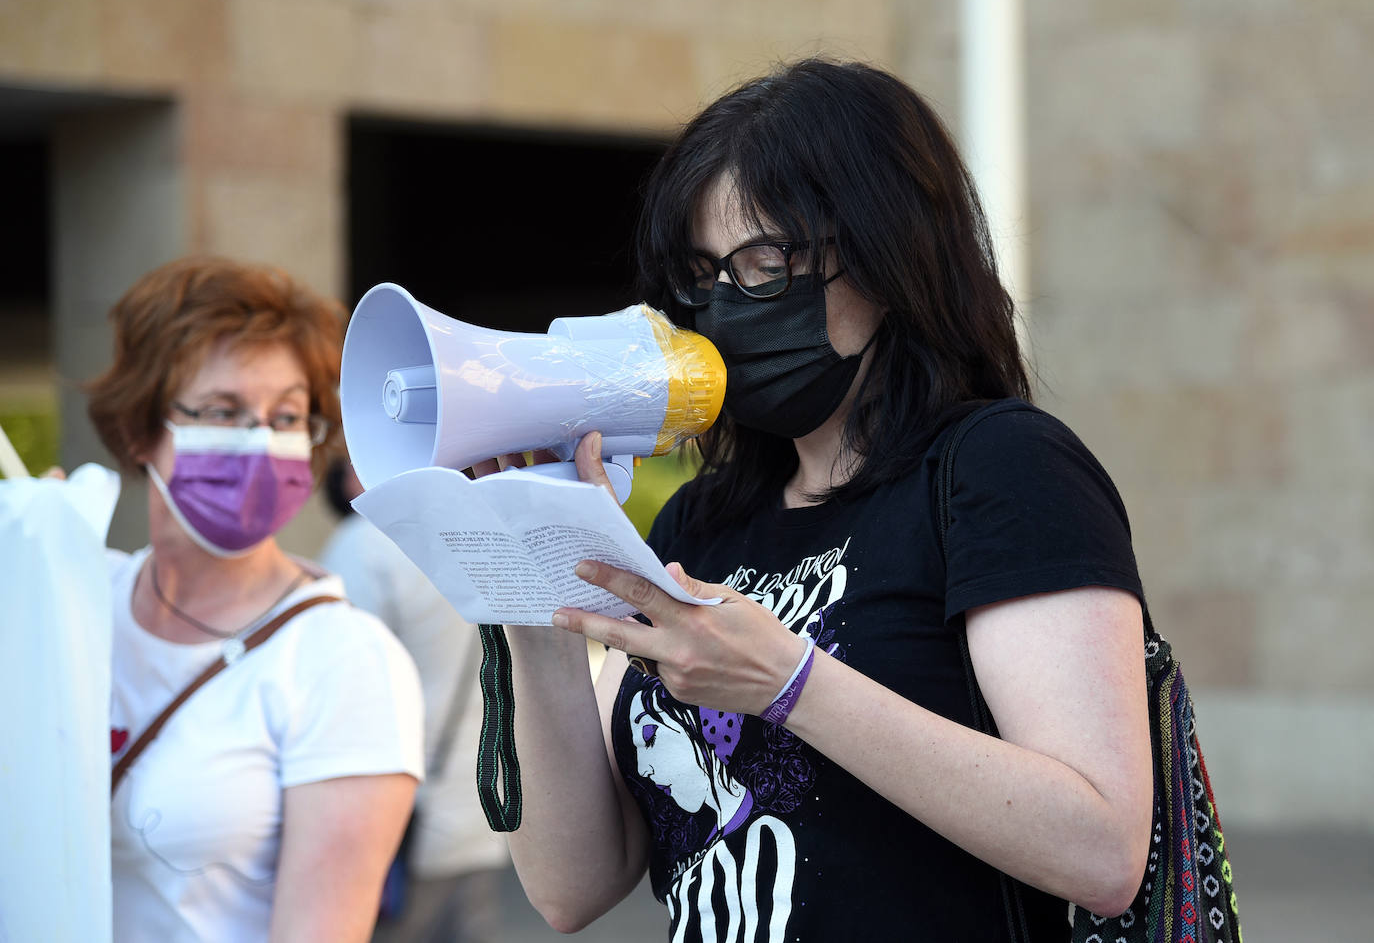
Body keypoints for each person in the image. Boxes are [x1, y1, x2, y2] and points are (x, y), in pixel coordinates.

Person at [495, 59, 1154, 941]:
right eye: (704, 275)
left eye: (766, 263)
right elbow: (570, 888)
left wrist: (791, 682)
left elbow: (1103, 849)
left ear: (888, 253)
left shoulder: (1001, 469)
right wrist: (536, 606)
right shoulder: (702, 520)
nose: (728, 304)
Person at [86, 256, 425, 942]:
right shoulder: (75, 608)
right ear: (138, 430)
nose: (261, 442)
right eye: (223, 411)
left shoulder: (344, 661)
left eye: (287, 415)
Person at [318, 459, 509, 943]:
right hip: (486, 814)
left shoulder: (361, 548)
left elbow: (338, 696)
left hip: (397, 827)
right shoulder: (487, 540)